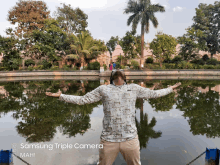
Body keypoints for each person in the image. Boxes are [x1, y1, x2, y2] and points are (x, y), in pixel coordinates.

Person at [45, 70, 181, 165]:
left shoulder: (134, 88)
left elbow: (155, 94)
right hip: (109, 140)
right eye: (116, 72)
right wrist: (61, 96)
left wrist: (170, 89)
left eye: (121, 72)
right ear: (112, 78)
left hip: (130, 139)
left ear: (124, 78)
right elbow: (82, 100)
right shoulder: (103, 89)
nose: (119, 72)